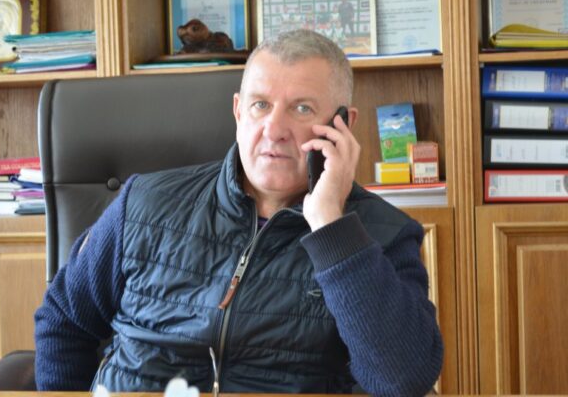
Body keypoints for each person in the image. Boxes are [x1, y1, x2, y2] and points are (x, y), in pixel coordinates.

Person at [34, 29, 443, 396]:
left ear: (343, 126)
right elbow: (63, 320)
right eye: (260, 105)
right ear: (237, 111)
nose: (274, 129)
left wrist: (331, 229)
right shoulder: (143, 203)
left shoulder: (383, 234)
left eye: (302, 109)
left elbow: (401, 382)